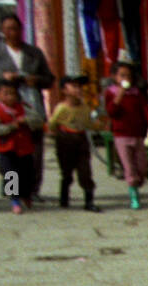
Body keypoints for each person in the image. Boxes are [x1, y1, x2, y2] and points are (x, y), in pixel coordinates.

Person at [0, 13, 53, 197]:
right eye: (8, 29)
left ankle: (32, 189)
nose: (13, 33)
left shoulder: (33, 53)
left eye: (16, 28)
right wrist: (3, 77)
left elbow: (49, 78)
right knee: (9, 153)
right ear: (3, 31)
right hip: (5, 108)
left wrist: (36, 80)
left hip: (30, 104)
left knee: (34, 150)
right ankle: (12, 191)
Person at [104, 61, 148, 209]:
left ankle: (136, 183)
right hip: (121, 134)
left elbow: (145, 110)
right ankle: (133, 194)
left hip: (138, 134)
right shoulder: (111, 92)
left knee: (142, 164)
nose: (126, 78)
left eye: (128, 76)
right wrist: (119, 94)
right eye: (122, 75)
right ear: (114, 76)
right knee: (129, 166)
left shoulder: (136, 93)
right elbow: (111, 111)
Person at [48, 75, 100, 211]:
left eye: (79, 87)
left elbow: (89, 123)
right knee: (66, 171)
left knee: (85, 171)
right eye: (74, 86)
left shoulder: (85, 107)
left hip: (81, 140)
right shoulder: (61, 108)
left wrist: (98, 125)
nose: (78, 90)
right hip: (65, 140)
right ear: (64, 90)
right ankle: (64, 197)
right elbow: (52, 125)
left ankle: (89, 201)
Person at [0, 79, 34, 213]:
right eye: (6, 94)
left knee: (27, 173)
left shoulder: (23, 107)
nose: (10, 97)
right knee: (10, 174)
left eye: (13, 94)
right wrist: (10, 127)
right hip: (6, 148)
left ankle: (26, 195)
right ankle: (14, 199)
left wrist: (27, 121)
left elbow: (38, 120)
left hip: (24, 148)